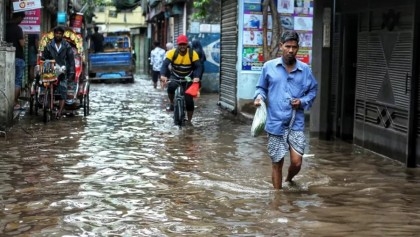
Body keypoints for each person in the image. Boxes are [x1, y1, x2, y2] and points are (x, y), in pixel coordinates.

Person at [253, 30, 318, 189]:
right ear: (281, 46)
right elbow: (261, 87)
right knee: (277, 162)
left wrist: (302, 101)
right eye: (287, 46)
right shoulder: (269, 67)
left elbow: (313, 91)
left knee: (297, 162)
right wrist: (259, 97)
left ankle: (289, 179)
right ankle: (277, 198)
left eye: (294, 47)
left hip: (296, 123)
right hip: (275, 123)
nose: (291, 50)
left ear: (298, 48)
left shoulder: (305, 70)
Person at [160, 34, 202, 123]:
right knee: (171, 86)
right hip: (175, 76)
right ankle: (171, 102)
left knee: (189, 100)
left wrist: (197, 77)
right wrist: (163, 75)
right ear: (177, 45)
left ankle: (189, 120)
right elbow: (164, 65)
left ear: (187, 44)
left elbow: (198, 66)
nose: (182, 46)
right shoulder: (172, 53)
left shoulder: (192, 53)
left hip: (188, 78)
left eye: (184, 44)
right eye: (180, 44)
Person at [41, 26, 75, 119]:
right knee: (47, 87)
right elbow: (44, 57)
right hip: (51, 69)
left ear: (62, 35)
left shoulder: (67, 46)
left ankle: (59, 112)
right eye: (56, 33)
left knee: (63, 90)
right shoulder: (49, 45)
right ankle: (47, 105)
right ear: (54, 34)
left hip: (63, 71)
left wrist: (71, 72)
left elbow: (71, 60)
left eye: (60, 33)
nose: (58, 35)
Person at [6, 12, 26, 110]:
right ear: (18, 18)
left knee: (9, 79)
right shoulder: (18, 29)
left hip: (7, 58)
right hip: (18, 57)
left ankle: (9, 101)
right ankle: (14, 102)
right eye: (21, 19)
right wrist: (24, 40)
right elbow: (22, 44)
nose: (21, 21)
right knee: (17, 81)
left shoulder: (5, 27)